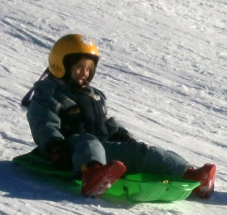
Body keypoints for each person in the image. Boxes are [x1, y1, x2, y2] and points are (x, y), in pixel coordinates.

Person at [24, 34, 216, 198]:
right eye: (79, 67)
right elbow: (43, 122)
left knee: (142, 151)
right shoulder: (48, 93)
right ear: (61, 65)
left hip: (102, 147)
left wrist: (119, 134)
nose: (84, 73)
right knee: (89, 140)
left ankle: (192, 175)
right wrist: (55, 147)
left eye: (89, 68)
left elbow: (104, 121)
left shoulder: (92, 95)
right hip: (69, 150)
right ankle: (92, 176)